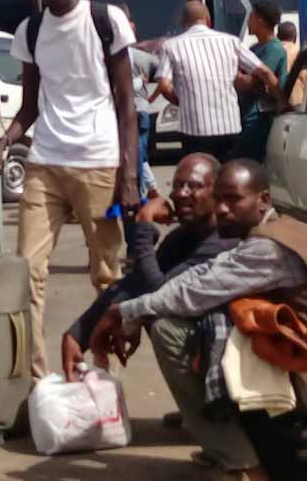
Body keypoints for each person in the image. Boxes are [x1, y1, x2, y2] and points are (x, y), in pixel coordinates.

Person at [90, 160, 307, 481]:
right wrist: (129, 312)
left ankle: (242, 469)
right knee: (210, 321)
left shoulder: (270, 248)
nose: (222, 209)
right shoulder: (269, 231)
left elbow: (191, 294)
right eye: (219, 198)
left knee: (170, 331)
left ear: (263, 200)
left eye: (233, 199)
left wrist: (122, 312)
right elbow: (202, 277)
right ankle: (228, 443)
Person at [0, 0, 139, 379]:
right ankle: (36, 380)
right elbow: (30, 107)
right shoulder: (30, 30)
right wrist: (1, 145)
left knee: (106, 274)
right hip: (45, 162)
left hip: (99, 162)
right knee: (26, 272)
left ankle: (104, 372)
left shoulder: (105, 21)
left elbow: (127, 103)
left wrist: (129, 177)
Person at [59, 153, 233, 380]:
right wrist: (76, 335)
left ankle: (206, 403)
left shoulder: (224, 241)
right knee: (143, 308)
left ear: (218, 194)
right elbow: (136, 283)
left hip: (230, 348)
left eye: (193, 186)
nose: (181, 194)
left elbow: (160, 293)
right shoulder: (184, 236)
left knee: (162, 324)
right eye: (177, 186)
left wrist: (144, 223)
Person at [154, 1, 276, 162]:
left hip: (194, 128)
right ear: (208, 20)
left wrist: (182, 101)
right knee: (227, 172)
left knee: (200, 172)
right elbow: (264, 72)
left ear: (183, 23)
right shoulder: (231, 41)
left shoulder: (171, 46)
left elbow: (164, 85)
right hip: (229, 126)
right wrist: (281, 99)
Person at [234, 0, 290, 162]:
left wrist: (229, 73)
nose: (248, 21)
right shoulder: (254, 48)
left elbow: (253, 82)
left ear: (260, 20)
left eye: (251, 17)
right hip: (246, 116)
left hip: (258, 119)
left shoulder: (273, 49)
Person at [129, 31, 161, 196]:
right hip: (142, 109)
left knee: (137, 152)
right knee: (139, 151)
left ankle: (144, 188)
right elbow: (163, 72)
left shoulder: (109, 58)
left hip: (129, 112)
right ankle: (151, 187)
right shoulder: (143, 57)